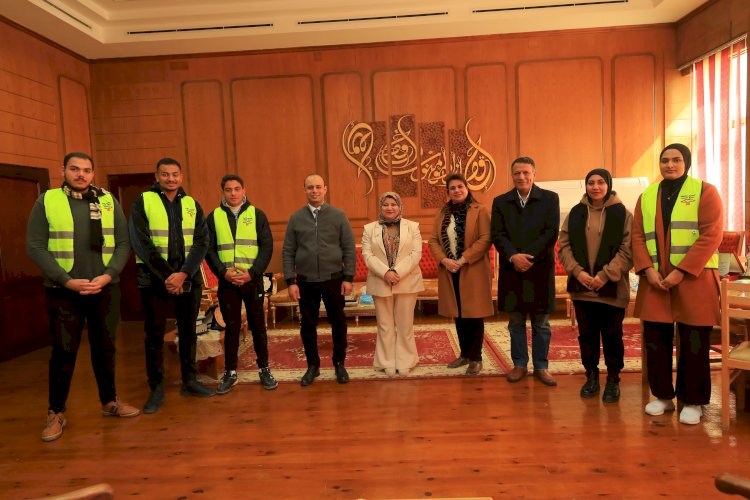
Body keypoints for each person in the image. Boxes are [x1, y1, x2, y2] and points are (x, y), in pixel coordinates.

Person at [27, 152, 138, 442]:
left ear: (92, 173)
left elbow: (123, 243)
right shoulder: (48, 200)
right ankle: (55, 411)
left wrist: (108, 275)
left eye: (87, 170)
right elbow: (35, 246)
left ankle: (109, 401)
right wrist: (67, 281)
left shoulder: (107, 200)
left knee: (106, 348)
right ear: (63, 170)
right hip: (63, 291)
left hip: (104, 288)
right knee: (64, 352)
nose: (81, 174)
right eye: (75, 169)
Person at [632, 144, 722, 425]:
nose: (670, 165)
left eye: (676, 160)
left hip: (695, 278)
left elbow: (711, 235)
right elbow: (637, 236)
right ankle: (662, 397)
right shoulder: (647, 196)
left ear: (687, 163)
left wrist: (682, 271)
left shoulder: (705, 191)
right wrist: (647, 270)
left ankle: (693, 400)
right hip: (655, 280)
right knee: (655, 340)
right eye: (665, 160)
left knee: (694, 341)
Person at [130, 157, 214, 414]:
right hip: (155, 280)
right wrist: (170, 276)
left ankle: (190, 381)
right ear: (157, 177)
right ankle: (156, 388)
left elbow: (202, 241)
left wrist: (183, 274)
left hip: (188, 278)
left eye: (175, 174)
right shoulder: (143, 202)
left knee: (189, 332)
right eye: (165, 174)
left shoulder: (191, 204)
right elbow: (141, 242)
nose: (170, 179)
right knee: (154, 335)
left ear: (181, 177)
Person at [558, 169, 633, 403]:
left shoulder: (623, 214)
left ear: (608, 185)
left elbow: (628, 249)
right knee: (587, 336)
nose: (596, 187)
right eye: (591, 182)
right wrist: (577, 272)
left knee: (612, 336)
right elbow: (564, 245)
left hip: (612, 288)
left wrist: (605, 275)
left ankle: (613, 379)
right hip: (582, 289)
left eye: (601, 182)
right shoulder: (576, 213)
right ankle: (591, 376)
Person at [491, 156, 560, 386]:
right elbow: (497, 234)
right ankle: (519, 364)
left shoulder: (550, 198)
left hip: (539, 269)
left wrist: (528, 257)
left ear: (534, 174)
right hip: (512, 270)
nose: (521, 177)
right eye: (517, 173)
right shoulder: (501, 202)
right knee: (516, 323)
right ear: (512, 176)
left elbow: (551, 233)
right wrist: (513, 256)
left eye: (525, 172)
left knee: (541, 324)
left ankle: (541, 366)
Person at [206, 174, 278, 393]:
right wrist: (223, 273)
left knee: (258, 326)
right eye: (228, 190)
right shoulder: (214, 217)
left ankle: (264, 369)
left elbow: (266, 247)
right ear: (223, 192)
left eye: (237, 189)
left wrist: (252, 273)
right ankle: (230, 372)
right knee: (232, 327)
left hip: (252, 280)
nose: (233, 193)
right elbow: (209, 250)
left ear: (244, 190)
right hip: (227, 282)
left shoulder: (257, 215)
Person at [282, 174, 356, 386]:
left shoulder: (338, 216)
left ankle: (339, 363)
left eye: (317, 187)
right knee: (307, 325)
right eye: (310, 187)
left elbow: (349, 248)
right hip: (305, 281)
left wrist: (348, 277)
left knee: (338, 323)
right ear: (304, 190)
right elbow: (288, 251)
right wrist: (290, 281)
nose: (314, 191)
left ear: (325, 189)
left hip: (334, 279)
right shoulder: (296, 218)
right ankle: (312, 366)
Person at [428, 173, 493, 375]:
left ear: (467, 188)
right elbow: (433, 240)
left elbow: (485, 238)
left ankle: (476, 358)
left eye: (460, 186)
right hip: (450, 270)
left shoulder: (480, 210)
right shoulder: (442, 212)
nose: (456, 190)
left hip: (473, 269)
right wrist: (444, 260)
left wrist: (463, 259)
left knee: (474, 314)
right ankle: (464, 354)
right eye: (452, 188)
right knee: (458, 313)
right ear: (448, 192)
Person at [361, 192, 424, 377]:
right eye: (385, 204)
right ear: (380, 207)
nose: (390, 208)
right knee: (385, 324)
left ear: (400, 206)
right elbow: (367, 255)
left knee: (405, 324)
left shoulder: (412, 227)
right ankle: (386, 361)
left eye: (393, 204)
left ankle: (406, 361)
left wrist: (397, 272)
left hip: (407, 280)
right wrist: (385, 273)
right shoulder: (369, 229)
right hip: (380, 280)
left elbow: (416, 253)